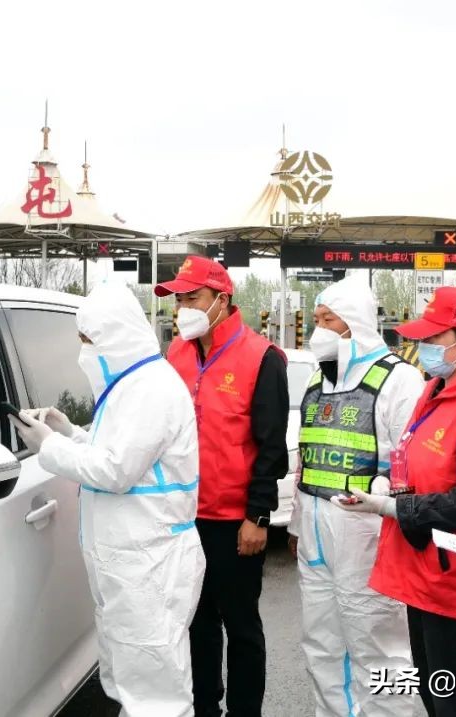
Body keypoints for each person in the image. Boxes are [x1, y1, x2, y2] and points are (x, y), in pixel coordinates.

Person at [10, 283, 205, 717]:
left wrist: (49, 449)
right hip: (132, 562)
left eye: (88, 340)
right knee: (129, 678)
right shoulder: (129, 386)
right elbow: (117, 455)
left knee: (156, 693)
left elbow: (115, 471)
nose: (83, 352)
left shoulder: (150, 388)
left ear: (115, 335)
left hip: (149, 564)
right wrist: (66, 432)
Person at [339, 286, 456, 717]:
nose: (420, 347)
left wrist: (394, 509)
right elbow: (419, 461)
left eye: (432, 338)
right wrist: (388, 485)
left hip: (454, 576)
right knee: (435, 690)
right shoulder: (435, 390)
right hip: (424, 567)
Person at [155, 255, 289, 717]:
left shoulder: (262, 358)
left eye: (192, 297)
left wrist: (258, 517)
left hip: (233, 522)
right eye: (178, 298)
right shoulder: (176, 354)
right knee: (195, 620)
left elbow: (272, 449)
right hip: (181, 517)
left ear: (221, 299)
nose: (182, 306)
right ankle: (204, 706)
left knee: (242, 626)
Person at [287, 276, 424, 717]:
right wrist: (294, 525)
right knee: (322, 645)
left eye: (329, 319)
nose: (318, 329)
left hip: (367, 536)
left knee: (380, 648)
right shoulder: (315, 383)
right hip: (315, 537)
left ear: (356, 323)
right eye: (316, 319)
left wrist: (385, 493)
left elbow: (415, 464)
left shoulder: (398, 380)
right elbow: (306, 462)